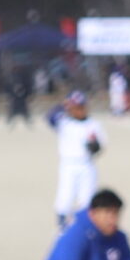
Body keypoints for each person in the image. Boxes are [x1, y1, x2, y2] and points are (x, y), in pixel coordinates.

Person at [47, 91, 105, 231]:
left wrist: (93, 146)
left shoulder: (93, 125)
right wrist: (63, 105)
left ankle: (85, 228)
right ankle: (62, 227)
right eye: (74, 107)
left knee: (87, 199)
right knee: (65, 197)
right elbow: (49, 117)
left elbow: (99, 147)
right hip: (68, 165)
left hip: (86, 165)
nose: (78, 110)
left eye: (81, 107)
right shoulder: (64, 123)